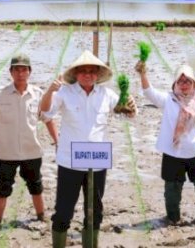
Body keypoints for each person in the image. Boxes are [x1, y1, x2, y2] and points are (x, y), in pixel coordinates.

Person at [40, 50, 136, 248]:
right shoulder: (64, 92)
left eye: (92, 71)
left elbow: (127, 114)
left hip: (98, 162)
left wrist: (132, 105)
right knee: (63, 211)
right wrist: (49, 91)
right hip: (70, 163)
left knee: (95, 211)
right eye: (83, 71)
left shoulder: (107, 94)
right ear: (75, 74)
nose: (87, 74)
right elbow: (44, 114)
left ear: (98, 75)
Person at [0, 54, 58, 228]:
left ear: (29, 72)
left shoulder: (38, 94)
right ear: (11, 72)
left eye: (24, 69)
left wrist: (57, 140)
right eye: (17, 69)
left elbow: (48, 119)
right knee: (2, 189)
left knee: (36, 186)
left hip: (31, 151)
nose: (21, 73)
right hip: (7, 153)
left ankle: (41, 217)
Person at [135, 61, 195, 225]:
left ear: (194, 84)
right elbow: (149, 92)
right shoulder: (168, 100)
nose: (184, 85)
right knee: (172, 191)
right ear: (175, 83)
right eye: (181, 81)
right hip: (173, 153)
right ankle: (172, 218)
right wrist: (143, 74)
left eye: (188, 81)